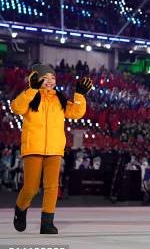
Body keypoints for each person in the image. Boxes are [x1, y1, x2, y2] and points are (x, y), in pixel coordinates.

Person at [12, 64, 92, 234]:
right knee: (31, 188)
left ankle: (47, 223)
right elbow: (16, 108)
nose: (49, 81)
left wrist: (80, 95)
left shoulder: (59, 99)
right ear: (35, 78)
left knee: (52, 186)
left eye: (52, 78)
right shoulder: (30, 97)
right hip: (33, 147)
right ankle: (20, 208)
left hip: (54, 149)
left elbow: (76, 113)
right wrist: (31, 90)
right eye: (45, 77)